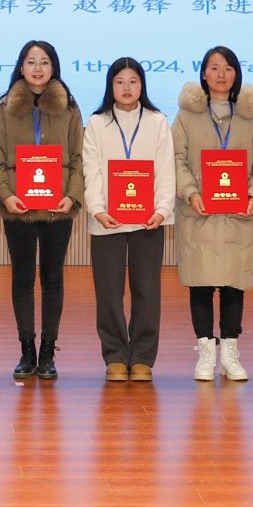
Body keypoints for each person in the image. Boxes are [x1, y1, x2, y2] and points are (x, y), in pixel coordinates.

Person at [172, 46, 253, 383]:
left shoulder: (251, 116)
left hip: (238, 214)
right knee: (199, 284)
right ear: (203, 73)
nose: (221, 74)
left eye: (228, 68)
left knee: (233, 284)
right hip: (198, 211)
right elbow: (176, 159)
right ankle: (205, 353)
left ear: (236, 74)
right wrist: (191, 191)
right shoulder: (186, 116)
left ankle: (229, 353)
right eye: (214, 67)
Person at [0, 39, 84, 380]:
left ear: (54, 67)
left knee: (53, 278)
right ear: (21, 67)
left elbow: (78, 158)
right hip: (19, 208)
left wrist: (72, 196)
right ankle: (27, 350)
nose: (38, 68)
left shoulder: (70, 107)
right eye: (31, 61)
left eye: (44, 62)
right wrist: (5, 195)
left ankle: (48, 351)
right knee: (23, 278)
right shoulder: (4, 108)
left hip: (59, 207)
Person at [82, 57, 175, 383]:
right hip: (107, 219)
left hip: (148, 219)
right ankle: (116, 356)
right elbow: (91, 169)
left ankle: (143, 357)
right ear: (110, 86)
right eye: (119, 81)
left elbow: (166, 169)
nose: (126, 88)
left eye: (133, 81)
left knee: (146, 290)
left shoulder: (157, 121)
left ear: (142, 85)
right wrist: (97, 209)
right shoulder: (97, 123)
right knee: (108, 292)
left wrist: (162, 209)